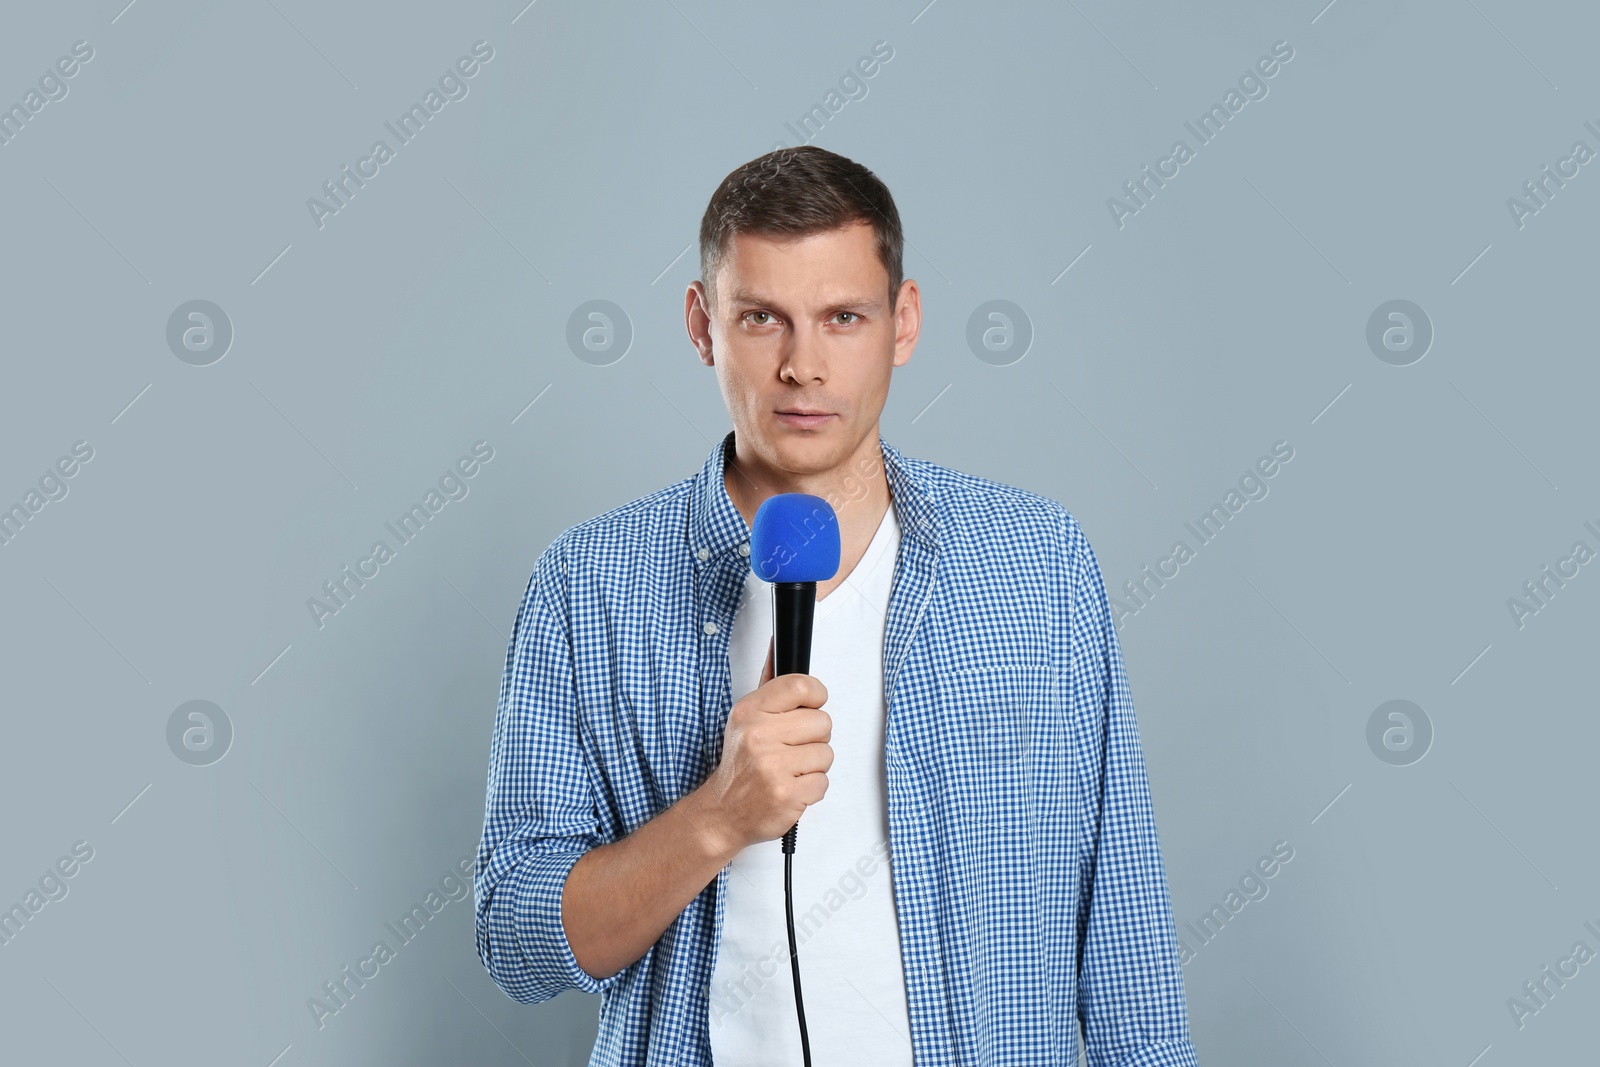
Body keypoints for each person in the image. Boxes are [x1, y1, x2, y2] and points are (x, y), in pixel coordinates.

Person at [474, 145, 1199, 1066]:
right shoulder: (590, 584)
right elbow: (520, 941)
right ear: (703, 325)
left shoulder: (1035, 564)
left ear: (904, 322)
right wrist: (718, 816)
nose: (803, 366)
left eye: (843, 318)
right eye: (762, 318)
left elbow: (1123, 927)